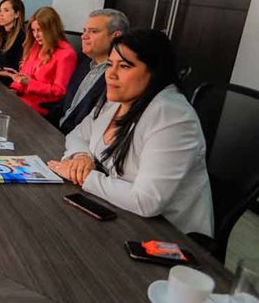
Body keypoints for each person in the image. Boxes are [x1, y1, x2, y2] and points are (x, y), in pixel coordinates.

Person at [48, 29, 213, 236]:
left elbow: (146, 201)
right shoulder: (117, 99)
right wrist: (82, 156)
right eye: (110, 64)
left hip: (165, 236)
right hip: (116, 213)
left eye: (124, 66)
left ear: (155, 71)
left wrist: (85, 177)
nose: (111, 74)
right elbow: (77, 134)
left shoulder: (173, 117)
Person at [56, 9, 130, 134]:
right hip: (54, 130)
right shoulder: (84, 61)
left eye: (94, 31)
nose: (84, 36)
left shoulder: (119, 76)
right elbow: (65, 105)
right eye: (85, 31)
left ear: (116, 36)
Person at [8, 6, 77, 116]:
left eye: (40, 30)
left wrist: (30, 83)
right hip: (22, 100)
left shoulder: (66, 54)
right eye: (33, 30)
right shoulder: (36, 45)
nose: (36, 35)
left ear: (52, 29)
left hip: (40, 106)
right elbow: (24, 75)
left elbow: (60, 91)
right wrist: (14, 89)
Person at [0, 0, 26, 83]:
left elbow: (15, 72)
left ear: (17, 14)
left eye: (6, 10)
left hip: (11, 83)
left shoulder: (22, 38)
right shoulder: (1, 35)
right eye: (0, 11)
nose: (0, 14)